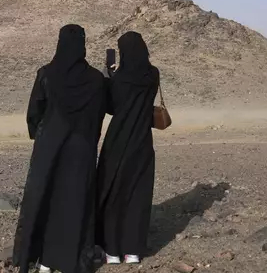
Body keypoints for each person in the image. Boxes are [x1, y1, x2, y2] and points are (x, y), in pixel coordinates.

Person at [13, 24, 107, 273]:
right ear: (83, 45)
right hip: (82, 149)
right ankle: (72, 259)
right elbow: (99, 114)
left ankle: (42, 259)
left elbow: (34, 113)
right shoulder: (96, 79)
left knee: (45, 197)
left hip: (50, 148)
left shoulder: (46, 74)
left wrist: (41, 136)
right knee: (76, 202)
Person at [96, 31, 160, 265]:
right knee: (137, 194)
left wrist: (108, 78)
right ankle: (132, 251)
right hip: (142, 141)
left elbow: (111, 107)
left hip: (118, 139)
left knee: (113, 191)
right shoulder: (153, 74)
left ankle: (111, 251)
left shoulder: (119, 77)